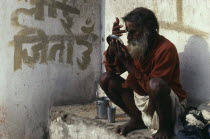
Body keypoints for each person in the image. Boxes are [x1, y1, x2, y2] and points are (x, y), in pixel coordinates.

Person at [99, 7, 187, 139]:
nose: (128, 37)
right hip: (142, 99)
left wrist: (129, 65)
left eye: (133, 32)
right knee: (106, 79)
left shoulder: (166, 49)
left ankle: (165, 129)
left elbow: (154, 89)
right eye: (127, 32)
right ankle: (137, 119)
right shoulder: (136, 46)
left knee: (155, 85)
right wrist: (113, 45)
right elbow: (112, 70)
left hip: (166, 107)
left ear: (149, 29)